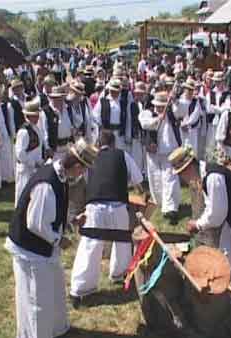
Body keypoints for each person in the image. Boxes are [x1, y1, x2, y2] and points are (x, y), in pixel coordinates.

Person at [5, 138, 98, 338]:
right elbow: (36, 224)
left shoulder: (60, 176)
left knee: (55, 289)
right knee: (37, 297)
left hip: (43, 245)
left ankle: (57, 329)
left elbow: (53, 212)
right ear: (76, 166)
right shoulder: (47, 183)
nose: (82, 176)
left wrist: (72, 221)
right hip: (30, 248)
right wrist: (59, 240)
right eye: (83, 171)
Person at [169, 146, 231, 307]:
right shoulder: (206, 175)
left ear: (189, 168)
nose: (182, 179)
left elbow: (217, 213)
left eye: (181, 174)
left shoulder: (213, 178)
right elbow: (213, 207)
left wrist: (198, 224)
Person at [70, 130, 143, 303]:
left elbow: (79, 182)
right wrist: (141, 193)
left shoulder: (90, 158)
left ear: (98, 144)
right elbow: (138, 179)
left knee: (90, 246)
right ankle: (119, 273)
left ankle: (79, 289)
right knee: (123, 241)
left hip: (94, 207)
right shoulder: (122, 155)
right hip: (117, 206)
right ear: (113, 144)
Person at [139, 91, 182, 224]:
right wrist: (158, 119)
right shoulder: (147, 113)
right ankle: (160, 202)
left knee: (170, 177)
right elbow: (145, 124)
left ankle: (170, 208)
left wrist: (175, 101)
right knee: (155, 178)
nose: (159, 108)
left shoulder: (171, 112)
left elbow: (181, 111)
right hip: (153, 150)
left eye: (162, 106)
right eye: (158, 105)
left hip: (169, 150)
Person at [14, 98, 45, 207]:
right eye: (34, 115)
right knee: (23, 193)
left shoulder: (35, 128)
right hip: (25, 169)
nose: (37, 117)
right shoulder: (23, 131)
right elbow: (20, 154)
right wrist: (33, 162)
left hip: (34, 167)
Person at [40, 84, 72, 161]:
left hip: (67, 148)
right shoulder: (46, 112)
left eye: (60, 97)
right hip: (55, 150)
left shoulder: (67, 109)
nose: (58, 99)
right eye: (55, 97)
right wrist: (48, 149)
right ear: (51, 98)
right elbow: (44, 132)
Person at [172, 77, 202, 155]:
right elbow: (176, 113)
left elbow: (195, 116)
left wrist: (187, 124)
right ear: (185, 89)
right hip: (180, 130)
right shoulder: (179, 101)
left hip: (191, 130)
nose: (190, 91)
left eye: (191, 90)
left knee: (192, 151)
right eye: (188, 89)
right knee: (181, 150)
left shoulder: (196, 101)